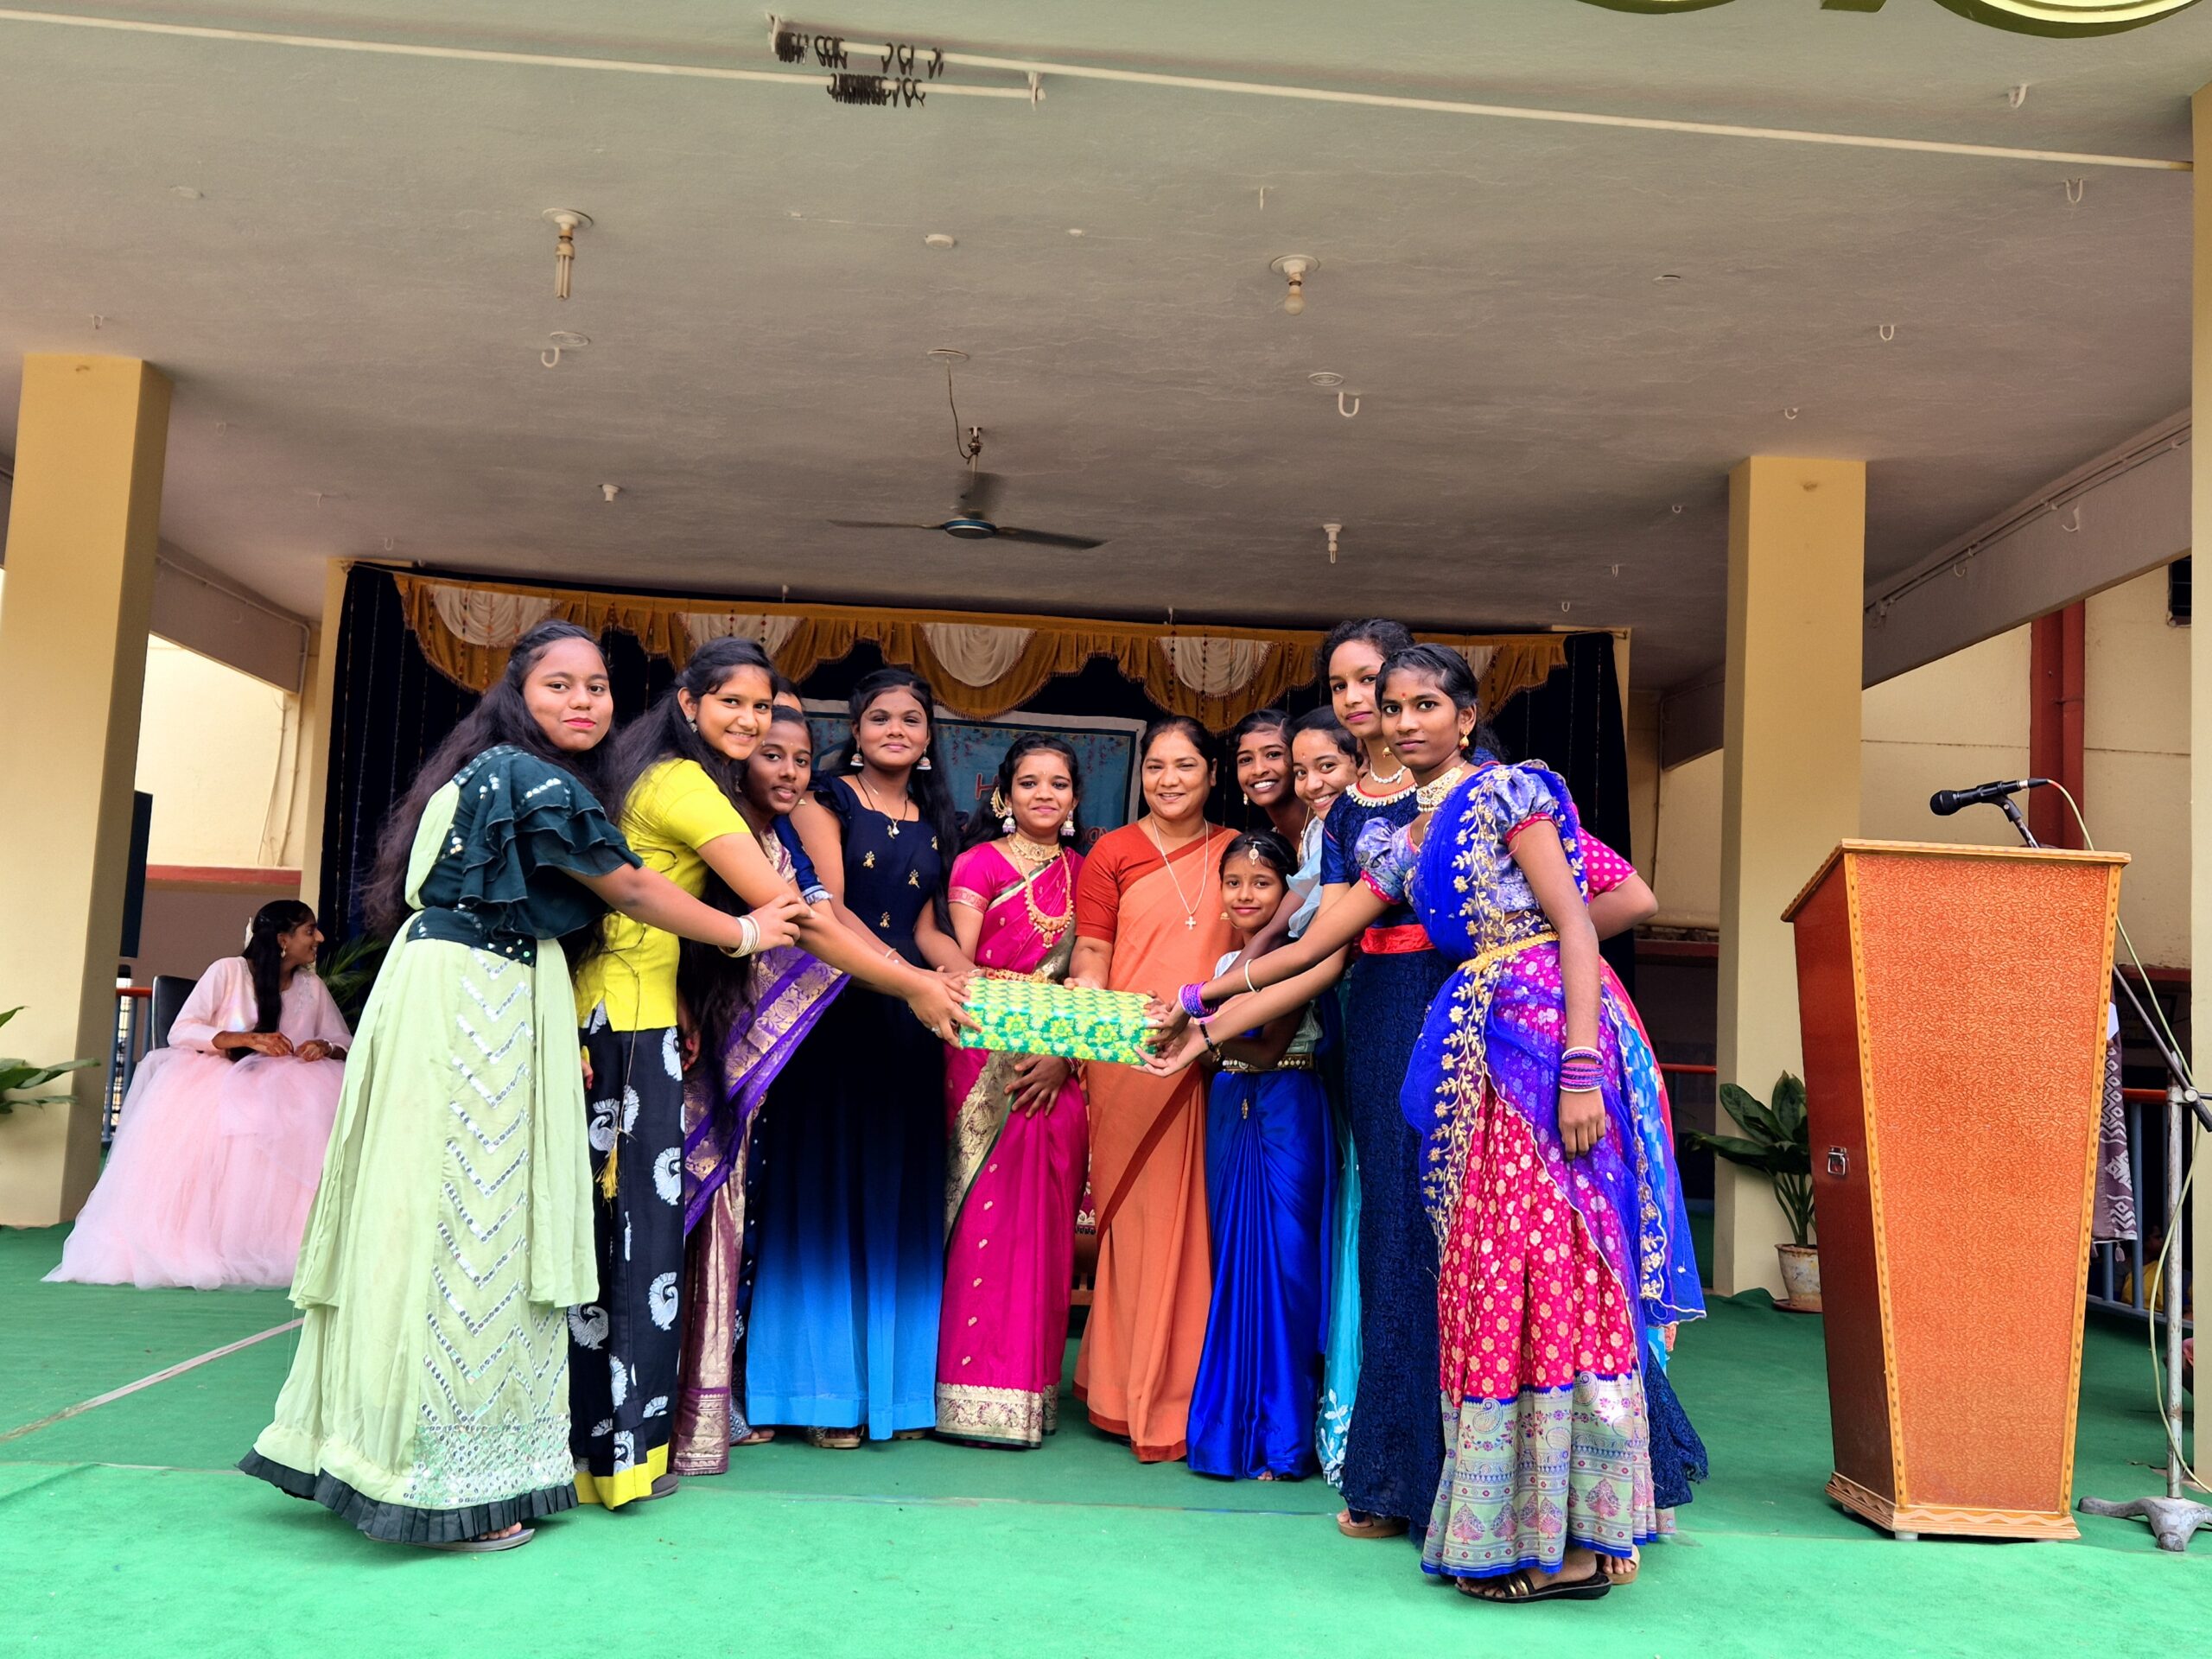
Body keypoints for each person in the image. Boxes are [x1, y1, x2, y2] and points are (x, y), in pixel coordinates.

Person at [1152, 645, 1705, 1602]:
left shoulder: (1509, 794)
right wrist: (1202, 1000)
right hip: (1473, 1051)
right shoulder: (1403, 836)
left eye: (1424, 705)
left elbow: (1580, 921)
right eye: (1393, 706)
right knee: (1493, 1277)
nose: (1404, 721)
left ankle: (1586, 1535)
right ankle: (1535, 1520)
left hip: (1546, 1042)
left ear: (1465, 714)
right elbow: (1317, 944)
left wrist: (1581, 1066)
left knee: (1556, 1270)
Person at [240, 622, 799, 1552]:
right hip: (477, 999)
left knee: (436, 1221)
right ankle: (439, 1489)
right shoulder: (528, 777)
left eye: (597, 687)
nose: (583, 701)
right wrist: (744, 933)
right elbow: (632, 889)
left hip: (469, 989)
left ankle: (383, 1452)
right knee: (472, 1229)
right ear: (517, 693)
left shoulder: (489, 774)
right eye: (559, 685)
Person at [566, 638, 816, 1509]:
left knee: (610, 1242)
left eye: (761, 705)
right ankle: (614, 1460)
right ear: (688, 703)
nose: (749, 720)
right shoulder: (683, 784)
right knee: (634, 1249)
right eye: (732, 703)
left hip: (625, 1017)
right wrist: (908, 983)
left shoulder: (656, 773)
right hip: (628, 1035)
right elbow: (780, 909)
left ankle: (595, 1450)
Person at [667, 702, 899, 1472]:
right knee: (685, 1220)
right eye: (773, 755)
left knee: (737, 1226)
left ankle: (714, 1393)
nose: (790, 772)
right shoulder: (718, 827)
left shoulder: (783, 840)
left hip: (757, 1065)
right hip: (696, 1046)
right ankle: (662, 1403)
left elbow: (821, 919)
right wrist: (915, 984)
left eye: (802, 759)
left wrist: (914, 978)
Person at [748, 668, 970, 1446]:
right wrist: (909, 977)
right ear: (856, 729)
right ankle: (815, 1397)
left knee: (896, 1189)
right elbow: (830, 909)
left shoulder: (937, 816)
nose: (896, 730)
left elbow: (931, 926)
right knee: (827, 1188)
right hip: (839, 1005)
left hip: (913, 1022)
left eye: (911, 718)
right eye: (880, 717)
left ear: (929, 735)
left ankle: (894, 1396)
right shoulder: (826, 800)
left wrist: (971, 981)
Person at [1066, 715, 1236, 1461]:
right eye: (1156, 766)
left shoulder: (1239, 851)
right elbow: (1092, 950)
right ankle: (1121, 1390)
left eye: (1185, 766)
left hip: (1214, 1055)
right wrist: (1089, 1015)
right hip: (1129, 1055)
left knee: (1202, 1227)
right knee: (1135, 1224)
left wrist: (1211, 1027)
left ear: (1212, 774)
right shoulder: (1113, 852)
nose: (1168, 780)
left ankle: (1188, 1397)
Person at [48, 901, 352, 1290]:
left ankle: (291, 1241)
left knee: (313, 1110)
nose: (319, 938)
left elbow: (343, 1038)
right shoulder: (228, 971)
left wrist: (325, 1046)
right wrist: (245, 1039)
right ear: (282, 939)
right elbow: (182, 1030)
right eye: (310, 930)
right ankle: (212, 1242)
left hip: (289, 1084)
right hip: (219, 1075)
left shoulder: (312, 986)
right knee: (230, 1118)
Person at [936, 735, 1090, 1448]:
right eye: (1029, 782)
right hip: (982, 1056)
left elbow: (1094, 976)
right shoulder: (979, 864)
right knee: (980, 1222)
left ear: (1076, 798)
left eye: (1058, 783)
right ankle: (962, 1396)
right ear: (1004, 795)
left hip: (1059, 1061)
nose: (1044, 795)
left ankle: (1028, 1397)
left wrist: (1061, 1052)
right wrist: (1016, 1026)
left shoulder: (1086, 874)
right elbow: (960, 967)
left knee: (1043, 1227)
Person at [1186, 831, 1332, 1481]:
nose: (1246, 895)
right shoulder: (1223, 966)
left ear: (1290, 892)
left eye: (1263, 883)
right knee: (1234, 1265)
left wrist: (1198, 1040)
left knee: (1286, 1270)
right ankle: (1230, 1435)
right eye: (1234, 883)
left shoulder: (1300, 954)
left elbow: (1271, 1047)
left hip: (1286, 1106)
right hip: (1229, 1106)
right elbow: (1215, 1052)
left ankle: (1282, 1438)